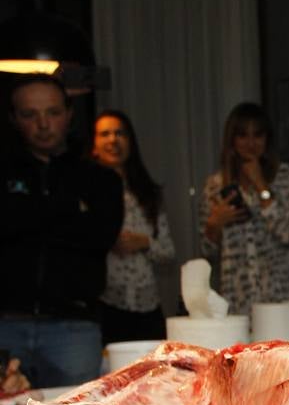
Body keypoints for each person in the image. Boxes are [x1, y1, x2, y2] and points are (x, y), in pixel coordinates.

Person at [0, 74, 123, 387]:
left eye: (52, 113)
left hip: (74, 327)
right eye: (30, 114)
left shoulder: (100, 179)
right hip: (7, 322)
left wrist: (26, 214)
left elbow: (99, 237)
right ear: (14, 119)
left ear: (69, 114)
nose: (43, 124)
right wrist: (68, 210)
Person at [200, 102, 289, 317]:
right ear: (232, 140)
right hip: (238, 299)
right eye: (242, 135)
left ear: (267, 138)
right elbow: (206, 251)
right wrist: (214, 223)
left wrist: (262, 187)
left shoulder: (284, 176)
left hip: (282, 296)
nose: (251, 143)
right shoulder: (215, 185)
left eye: (258, 135)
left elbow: (288, 232)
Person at [90, 110, 175, 342]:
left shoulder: (148, 193)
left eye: (120, 133)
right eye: (104, 134)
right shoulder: (85, 191)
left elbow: (168, 253)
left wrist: (144, 243)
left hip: (148, 307)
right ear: (94, 145)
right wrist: (106, 240)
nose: (112, 140)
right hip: (104, 304)